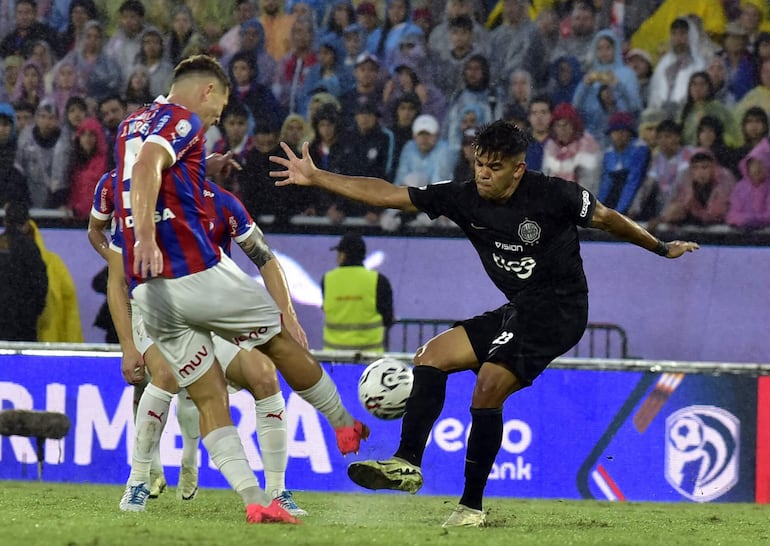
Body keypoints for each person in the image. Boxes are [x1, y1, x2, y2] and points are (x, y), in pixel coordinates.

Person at [270, 119, 699, 527]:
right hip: (520, 307)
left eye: (495, 167)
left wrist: (661, 247)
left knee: (489, 382)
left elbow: (606, 217)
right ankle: (406, 462)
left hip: (561, 311)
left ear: (519, 169)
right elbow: (389, 195)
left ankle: (470, 506)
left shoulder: (554, 195)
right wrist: (319, 177)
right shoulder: (462, 196)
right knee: (432, 355)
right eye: (479, 164)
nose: (484, 174)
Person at [116, 54, 367, 524]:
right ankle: (343, 424)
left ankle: (257, 500)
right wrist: (149, 234)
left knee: (210, 395)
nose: (215, 120)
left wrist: (198, 166)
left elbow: (146, 164)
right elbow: (153, 161)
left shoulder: (133, 122)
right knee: (277, 342)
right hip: (194, 271)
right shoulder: (184, 118)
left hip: (150, 292)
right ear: (208, 91)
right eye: (220, 109)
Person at [321, 232, 394, 352]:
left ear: (343, 255)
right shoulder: (378, 280)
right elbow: (388, 318)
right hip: (369, 357)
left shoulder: (327, 279)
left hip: (334, 357)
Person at [0, 201, 48, 341]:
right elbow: (40, 281)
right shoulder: (30, 247)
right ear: (27, 224)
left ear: (5, 221)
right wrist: (35, 309)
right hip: (23, 318)